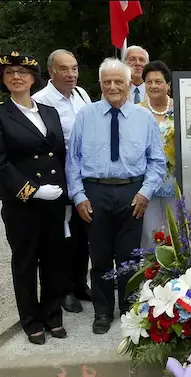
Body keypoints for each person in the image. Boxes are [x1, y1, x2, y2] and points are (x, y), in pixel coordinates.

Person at [66, 57, 166, 334]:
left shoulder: (143, 117)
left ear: (128, 84)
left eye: (118, 81)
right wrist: (78, 196)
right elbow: (72, 161)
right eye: (107, 82)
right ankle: (102, 311)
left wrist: (145, 193)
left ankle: (128, 307)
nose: (113, 86)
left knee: (129, 257)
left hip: (132, 193)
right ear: (100, 84)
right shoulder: (85, 116)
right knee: (98, 257)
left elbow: (157, 162)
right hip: (94, 192)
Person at [0, 51, 68, 344]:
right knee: (25, 261)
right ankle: (31, 320)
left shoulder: (48, 111)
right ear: (3, 80)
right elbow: (1, 162)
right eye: (10, 72)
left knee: (54, 260)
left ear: (33, 78)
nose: (16, 77)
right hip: (22, 203)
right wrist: (32, 190)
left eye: (23, 72)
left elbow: (60, 154)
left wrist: (63, 194)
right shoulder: (2, 115)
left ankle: (53, 315)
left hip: (53, 201)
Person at [33, 48, 93, 314]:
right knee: (61, 235)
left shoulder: (82, 95)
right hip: (57, 175)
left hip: (83, 175)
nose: (71, 75)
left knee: (83, 233)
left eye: (74, 68)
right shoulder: (40, 100)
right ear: (51, 72)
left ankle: (80, 283)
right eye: (64, 69)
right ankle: (64, 289)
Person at [138, 60, 176, 250]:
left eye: (158, 81)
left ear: (168, 84)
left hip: (176, 182)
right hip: (147, 183)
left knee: (176, 231)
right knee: (150, 233)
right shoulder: (137, 111)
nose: (153, 85)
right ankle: (151, 276)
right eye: (149, 81)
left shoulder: (180, 109)